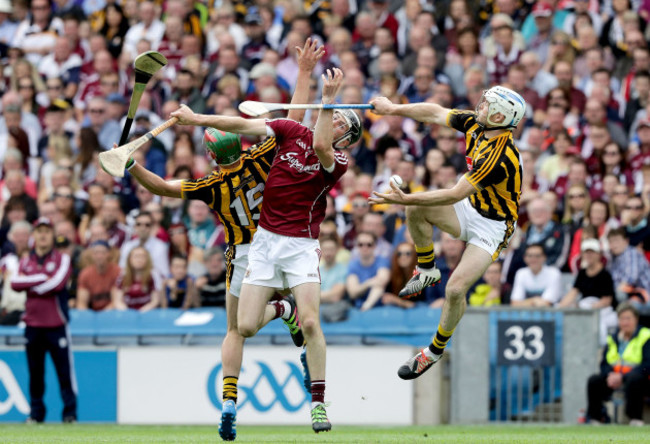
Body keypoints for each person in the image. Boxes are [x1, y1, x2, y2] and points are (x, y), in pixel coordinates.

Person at [125, 39, 328, 438]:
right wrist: (303, 73)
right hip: (286, 240)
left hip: (246, 255)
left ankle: (230, 401)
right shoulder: (263, 156)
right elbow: (297, 117)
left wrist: (131, 165)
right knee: (295, 316)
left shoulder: (210, 183)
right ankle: (286, 313)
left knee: (237, 330)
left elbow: (163, 188)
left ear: (212, 155)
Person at [171, 67, 361, 433]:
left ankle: (318, 404)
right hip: (263, 243)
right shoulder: (290, 132)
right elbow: (243, 127)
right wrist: (196, 119)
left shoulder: (337, 161)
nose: (334, 121)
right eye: (334, 116)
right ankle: (282, 307)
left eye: (341, 122)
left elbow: (322, 144)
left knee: (310, 322)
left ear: (348, 139)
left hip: (301, 246)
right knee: (245, 325)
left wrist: (327, 101)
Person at [369, 85, 526, 380]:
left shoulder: (500, 155)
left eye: (487, 104)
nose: (479, 106)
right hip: (471, 207)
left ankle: (434, 350)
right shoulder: (476, 124)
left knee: (455, 290)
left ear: (500, 116)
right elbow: (434, 112)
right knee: (416, 210)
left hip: (493, 226)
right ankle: (427, 269)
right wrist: (393, 109)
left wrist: (404, 198)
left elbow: (454, 194)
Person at [10, 217, 76, 423]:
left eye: (47, 231)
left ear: (53, 235)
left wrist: (31, 284)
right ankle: (36, 414)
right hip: (33, 325)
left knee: (64, 373)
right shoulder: (25, 260)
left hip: (56, 324)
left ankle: (69, 414)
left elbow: (57, 284)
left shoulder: (62, 259)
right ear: (34, 235)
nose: (43, 235)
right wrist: (41, 279)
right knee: (35, 374)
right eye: (39, 231)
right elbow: (14, 282)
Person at [586, 303, 650, 426]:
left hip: (639, 379)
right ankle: (596, 418)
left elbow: (647, 364)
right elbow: (604, 363)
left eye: (628, 319)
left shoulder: (646, 336)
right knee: (594, 380)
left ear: (636, 319)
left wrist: (623, 377)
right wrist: (610, 375)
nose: (625, 323)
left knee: (634, 379)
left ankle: (635, 419)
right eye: (622, 319)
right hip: (615, 378)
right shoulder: (613, 338)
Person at [76, 240, 121, 311]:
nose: (99, 256)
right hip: (93, 313)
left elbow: (117, 300)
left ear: (108, 254)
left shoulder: (117, 271)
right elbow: (81, 303)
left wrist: (102, 316)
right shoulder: (85, 274)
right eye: (96, 253)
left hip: (113, 312)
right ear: (92, 255)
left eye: (103, 253)